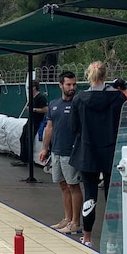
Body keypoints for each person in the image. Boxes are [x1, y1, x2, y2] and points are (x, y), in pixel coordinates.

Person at [70, 61, 126, 249]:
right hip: (111, 150)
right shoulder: (118, 98)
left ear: (89, 75)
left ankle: (87, 237)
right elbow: (123, 123)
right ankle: (112, 241)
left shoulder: (79, 99)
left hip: (87, 151)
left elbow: (73, 127)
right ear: (105, 75)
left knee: (90, 195)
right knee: (112, 197)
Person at [38, 71, 82, 235]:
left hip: (70, 151)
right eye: (69, 84)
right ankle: (67, 218)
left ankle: (76, 222)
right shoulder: (54, 104)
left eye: (74, 84)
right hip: (56, 151)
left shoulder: (78, 104)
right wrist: (45, 148)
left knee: (73, 185)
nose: (72, 87)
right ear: (61, 85)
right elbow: (49, 127)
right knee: (63, 185)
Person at [15, 81, 48, 166]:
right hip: (30, 120)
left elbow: (45, 109)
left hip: (36, 121)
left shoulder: (41, 97)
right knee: (23, 138)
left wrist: (33, 109)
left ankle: (29, 160)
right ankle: (23, 158)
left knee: (29, 139)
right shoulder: (32, 98)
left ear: (34, 87)